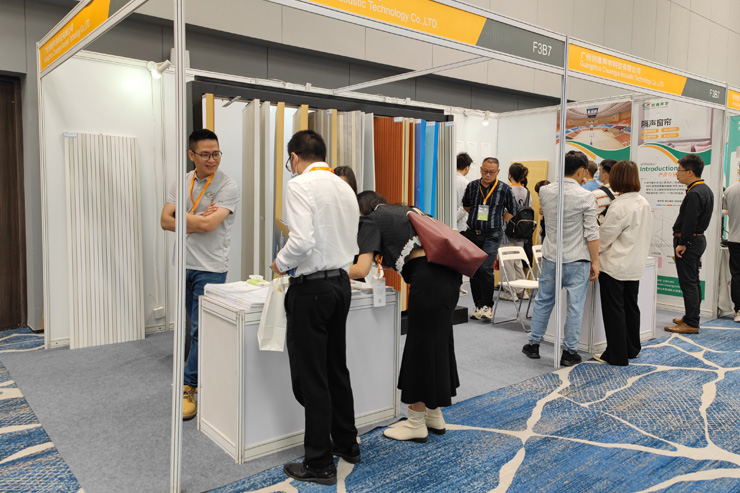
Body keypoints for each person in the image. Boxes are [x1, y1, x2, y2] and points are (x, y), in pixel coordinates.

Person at [271, 130, 361, 486]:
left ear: (294, 157)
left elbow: (302, 240)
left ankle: (319, 462)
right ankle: (347, 443)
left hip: (312, 290)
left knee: (312, 377)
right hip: (340, 284)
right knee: (336, 368)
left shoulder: (299, 185)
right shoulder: (344, 186)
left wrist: (280, 263)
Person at [350, 191, 461, 443]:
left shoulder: (370, 220)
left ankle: (415, 422)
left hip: (428, 280)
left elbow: (361, 268)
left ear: (361, 209)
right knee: (438, 344)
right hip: (449, 276)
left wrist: (328, 271)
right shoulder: (408, 212)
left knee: (419, 347)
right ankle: (434, 414)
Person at [160, 129, 239, 421]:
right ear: (191, 155)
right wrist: (197, 218)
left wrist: (186, 219)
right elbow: (164, 221)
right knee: (192, 324)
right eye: (205, 154)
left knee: (200, 329)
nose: (212, 160)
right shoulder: (182, 182)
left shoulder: (227, 185)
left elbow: (208, 226)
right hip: (184, 263)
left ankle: (188, 386)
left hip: (211, 268)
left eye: (216, 153)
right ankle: (202, 372)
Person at [522, 150, 599, 366]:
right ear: (582, 171)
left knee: (544, 300)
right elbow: (591, 232)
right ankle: (569, 352)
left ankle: (534, 344)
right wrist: (596, 262)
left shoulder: (545, 191)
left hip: (551, 257)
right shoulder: (586, 196)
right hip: (577, 259)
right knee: (575, 307)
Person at [595, 161, 652, 365]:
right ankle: (631, 348)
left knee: (614, 310)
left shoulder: (619, 206)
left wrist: (593, 250)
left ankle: (616, 354)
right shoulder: (643, 202)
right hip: (635, 264)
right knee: (630, 306)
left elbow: (605, 238)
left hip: (615, 264)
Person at [461, 157, 516, 320]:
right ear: (480, 169)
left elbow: (512, 210)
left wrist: (497, 221)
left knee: (485, 268)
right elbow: (466, 206)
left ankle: (487, 306)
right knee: (474, 269)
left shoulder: (504, 189)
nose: (487, 175)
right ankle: (478, 306)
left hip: (492, 234)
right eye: (485, 171)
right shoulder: (472, 186)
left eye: (491, 172)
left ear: (498, 172)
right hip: (473, 233)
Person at [665, 154, 714, 334]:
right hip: (696, 240)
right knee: (692, 281)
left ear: (690, 172)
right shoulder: (704, 189)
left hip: (689, 242)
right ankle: (691, 317)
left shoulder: (694, 193)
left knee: (688, 283)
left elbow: (690, 221)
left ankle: (692, 322)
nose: (677, 174)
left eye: (679, 170)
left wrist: (683, 242)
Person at [500, 162, 532, 302]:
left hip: (507, 230)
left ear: (510, 175)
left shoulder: (506, 190)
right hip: (522, 231)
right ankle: (521, 291)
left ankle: (510, 291)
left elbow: (503, 210)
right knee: (518, 260)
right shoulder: (527, 192)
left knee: (507, 261)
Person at [724, 176, 740, 322]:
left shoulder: (729, 191)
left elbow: (725, 211)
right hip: (735, 239)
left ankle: (738, 310)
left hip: (735, 239)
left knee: (737, 276)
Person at [592, 159, 617, 225]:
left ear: (605, 175)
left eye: (600, 172)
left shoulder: (595, 194)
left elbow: (592, 219)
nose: (599, 174)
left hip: (602, 230)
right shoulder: (623, 192)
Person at [455, 152, 472, 232]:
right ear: (467, 168)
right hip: (460, 226)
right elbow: (464, 207)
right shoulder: (467, 184)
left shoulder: (446, 180)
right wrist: (453, 219)